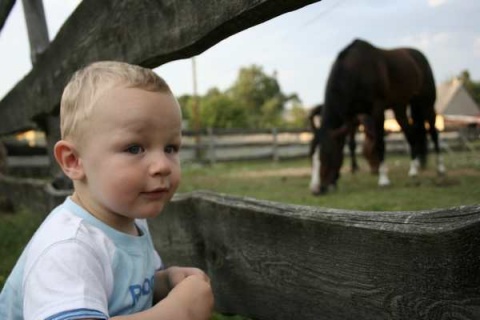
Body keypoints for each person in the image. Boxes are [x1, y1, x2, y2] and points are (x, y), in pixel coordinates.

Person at [0, 61, 214, 320]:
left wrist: (165, 283)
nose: (162, 166)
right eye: (134, 148)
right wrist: (179, 312)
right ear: (73, 161)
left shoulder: (132, 222)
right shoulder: (69, 249)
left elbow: (126, 290)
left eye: (170, 147)